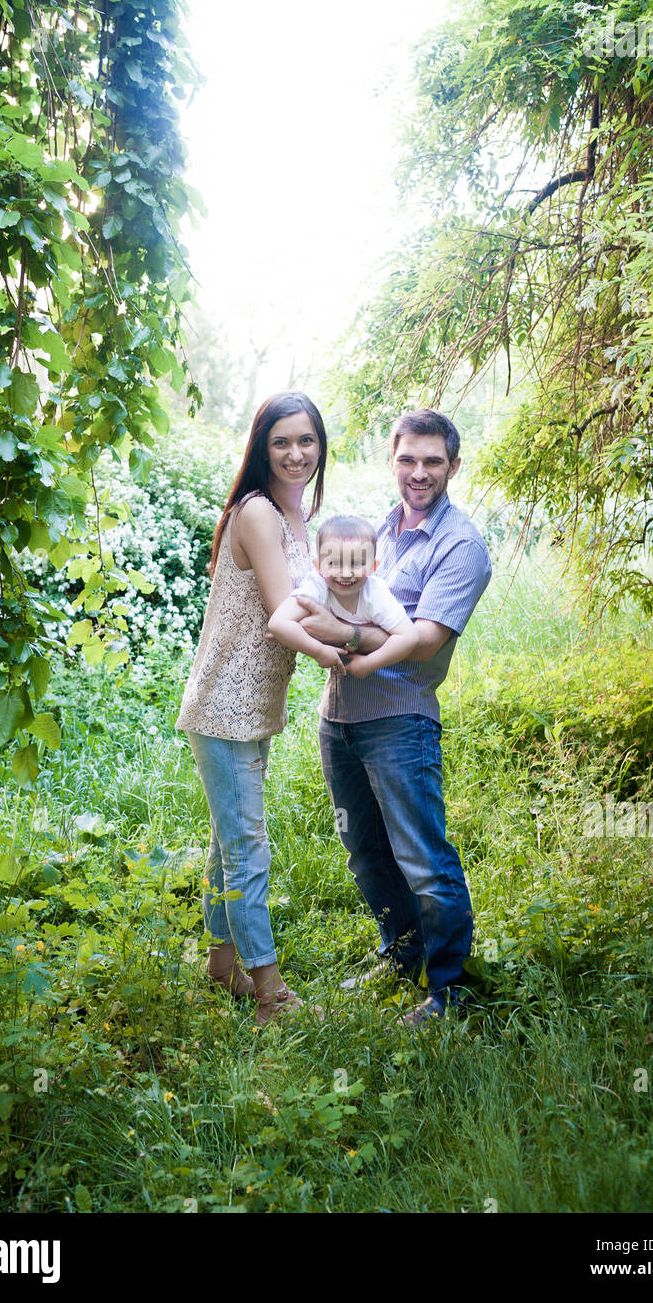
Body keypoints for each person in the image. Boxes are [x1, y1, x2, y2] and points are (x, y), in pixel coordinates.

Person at [296, 410, 492, 1024]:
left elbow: (426, 639)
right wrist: (358, 629)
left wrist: (335, 629)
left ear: (453, 467)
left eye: (433, 461)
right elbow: (320, 597)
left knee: (423, 859)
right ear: (393, 461)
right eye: (408, 459)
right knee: (365, 851)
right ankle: (403, 958)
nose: (419, 472)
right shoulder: (376, 530)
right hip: (341, 718)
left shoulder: (461, 545)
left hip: (401, 722)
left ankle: (449, 990)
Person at [175, 392, 341, 1025]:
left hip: (253, 704)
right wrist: (350, 646)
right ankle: (271, 994)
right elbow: (283, 616)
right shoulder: (258, 514)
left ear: (321, 447)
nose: (296, 453)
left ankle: (221, 966)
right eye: (282, 442)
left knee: (227, 840)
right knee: (247, 843)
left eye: (307, 441)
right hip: (225, 704)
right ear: (262, 449)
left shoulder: (295, 518)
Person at [267, 513, 418, 675]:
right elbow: (278, 623)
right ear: (319, 566)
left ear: (373, 566)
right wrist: (319, 651)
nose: (345, 573)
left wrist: (369, 663)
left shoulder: (375, 593)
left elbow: (408, 636)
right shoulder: (317, 584)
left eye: (356, 563)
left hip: (389, 675)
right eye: (335, 563)